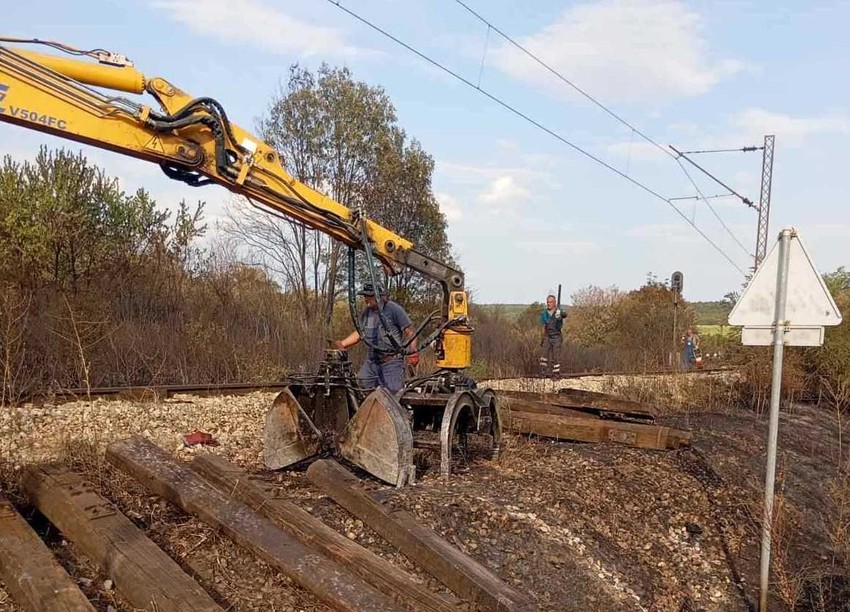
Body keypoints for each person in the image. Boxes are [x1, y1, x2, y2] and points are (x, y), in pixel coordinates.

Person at [334, 282, 419, 394]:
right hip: (372, 363)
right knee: (359, 388)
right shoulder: (367, 313)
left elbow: (410, 332)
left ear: (379, 296)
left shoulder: (394, 310)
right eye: (365, 296)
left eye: (369, 296)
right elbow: (360, 333)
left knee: (393, 394)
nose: (366, 299)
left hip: (391, 363)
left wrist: (413, 352)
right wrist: (343, 344)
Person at [539, 291, 566, 379]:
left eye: (550, 302)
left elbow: (565, 314)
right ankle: (542, 373)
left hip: (557, 337)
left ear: (555, 303)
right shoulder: (544, 313)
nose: (548, 304)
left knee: (556, 356)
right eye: (547, 302)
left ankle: (556, 374)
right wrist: (542, 338)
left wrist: (560, 314)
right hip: (547, 336)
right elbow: (544, 324)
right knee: (543, 356)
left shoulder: (559, 312)